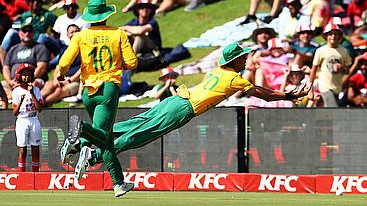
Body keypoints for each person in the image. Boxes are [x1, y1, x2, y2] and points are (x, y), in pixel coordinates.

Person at [60, 43, 311, 175]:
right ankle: (91, 155)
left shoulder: (220, 70)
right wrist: (288, 94)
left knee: (131, 125)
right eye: (242, 56)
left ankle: (81, 139)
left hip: (175, 100)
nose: (245, 59)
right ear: (233, 61)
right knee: (138, 137)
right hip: (183, 109)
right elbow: (263, 95)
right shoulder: (235, 77)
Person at [57, 0, 138, 197]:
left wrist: (61, 74)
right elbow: (133, 62)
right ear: (106, 15)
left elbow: (64, 63)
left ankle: (119, 183)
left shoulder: (80, 36)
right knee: (102, 136)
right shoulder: (118, 33)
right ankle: (81, 131)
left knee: (106, 140)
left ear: (90, 17)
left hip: (87, 92)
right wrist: (119, 64)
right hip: (108, 90)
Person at [0, 0, 57, 65]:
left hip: (39, 43)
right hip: (24, 41)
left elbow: (58, 27)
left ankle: (36, 63)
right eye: (32, 1)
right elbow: (15, 29)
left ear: (41, 3)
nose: (35, 3)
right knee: (11, 32)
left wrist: (53, 35)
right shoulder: (23, 16)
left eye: (38, 1)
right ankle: (4, 63)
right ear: (28, 3)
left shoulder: (48, 15)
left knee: (42, 36)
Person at [2, 18, 50, 99]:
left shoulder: (40, 48)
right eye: (24, 31)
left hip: (33, 81)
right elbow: (6, 68)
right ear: (20, 33)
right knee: (2, 85)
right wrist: (10, 81)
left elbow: (42, 68)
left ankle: (11, 97)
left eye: (30, 31)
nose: (27, 33)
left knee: (36, 84)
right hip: (13, 83)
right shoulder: (13, 49)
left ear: (33, 33)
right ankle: (13, 96)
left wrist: (25, 80)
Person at [309, 23, 352, 107]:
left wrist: (342, 67)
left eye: (336, 34)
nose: (333, 36)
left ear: (339, 36)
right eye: (330, 34)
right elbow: (313, 70)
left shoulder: (344, 51)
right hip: (324, 86)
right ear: (326, 36)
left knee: (330, 110)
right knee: (333, 108)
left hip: (337, 87)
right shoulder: (320, 50)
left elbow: (347, 71)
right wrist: (310, 89)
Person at [12, 63, 44, 172]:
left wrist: (32, 94)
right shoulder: (16, 91)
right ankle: (22, 174)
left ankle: (35, 172)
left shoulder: (36, 90)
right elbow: (15, 113)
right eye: (24, 74)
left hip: (34, 119)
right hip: (22, 119)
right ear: (19, 76)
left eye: (29, 74)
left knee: (35, 147)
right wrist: (20, 101)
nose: (26, 77)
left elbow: (39, 109)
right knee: (22, 148)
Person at [42, 0, 89, 69]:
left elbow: (85, 38)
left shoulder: (83, 19)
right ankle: (43, 59)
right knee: (43, 37)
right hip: (61, 45)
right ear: (64, 8)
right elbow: (55, 34)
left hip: (76, 47)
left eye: (72, 7)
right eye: (68, 7)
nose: (70, 9)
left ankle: (48, 65)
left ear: (76, 7)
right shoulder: (61, 18)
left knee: (61, 59)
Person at [41, 24, 81, 106]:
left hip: (76, 81)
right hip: (62, 78)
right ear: (67, 35)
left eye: (76, 31)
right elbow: (58, 67)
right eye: (71, 32)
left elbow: (83, 69)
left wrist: (69, 80)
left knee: (59, 90)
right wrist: (57, 79)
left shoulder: (84, 49)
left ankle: (42, 104)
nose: (74, 34)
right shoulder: (65, 49)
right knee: (49, 85)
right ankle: (34, 101)